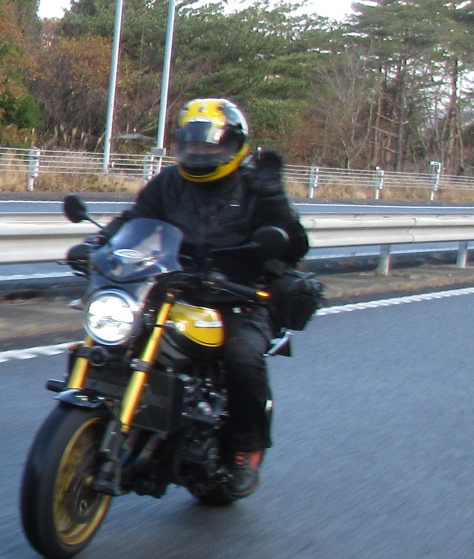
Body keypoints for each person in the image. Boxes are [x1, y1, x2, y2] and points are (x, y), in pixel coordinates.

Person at [68, 98, 310, 498]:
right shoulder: (170, 182)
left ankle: (244, 449)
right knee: (117, 332)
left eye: (210, 144)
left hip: (240, 296)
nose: (200, 151)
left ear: (234, 145)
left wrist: (274, 198)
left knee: (243, 358)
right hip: (175, 287)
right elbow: (135, 220)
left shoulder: (255, 188)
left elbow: (294, 246)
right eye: (192, 143)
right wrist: (98, 244)